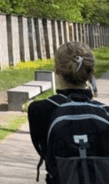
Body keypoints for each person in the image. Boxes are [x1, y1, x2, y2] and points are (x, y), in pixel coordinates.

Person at [28, 41, 104, 184]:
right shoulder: (104, 112)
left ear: (57, 70)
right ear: (91, 73)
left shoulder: (38, 110)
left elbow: (45, 152)